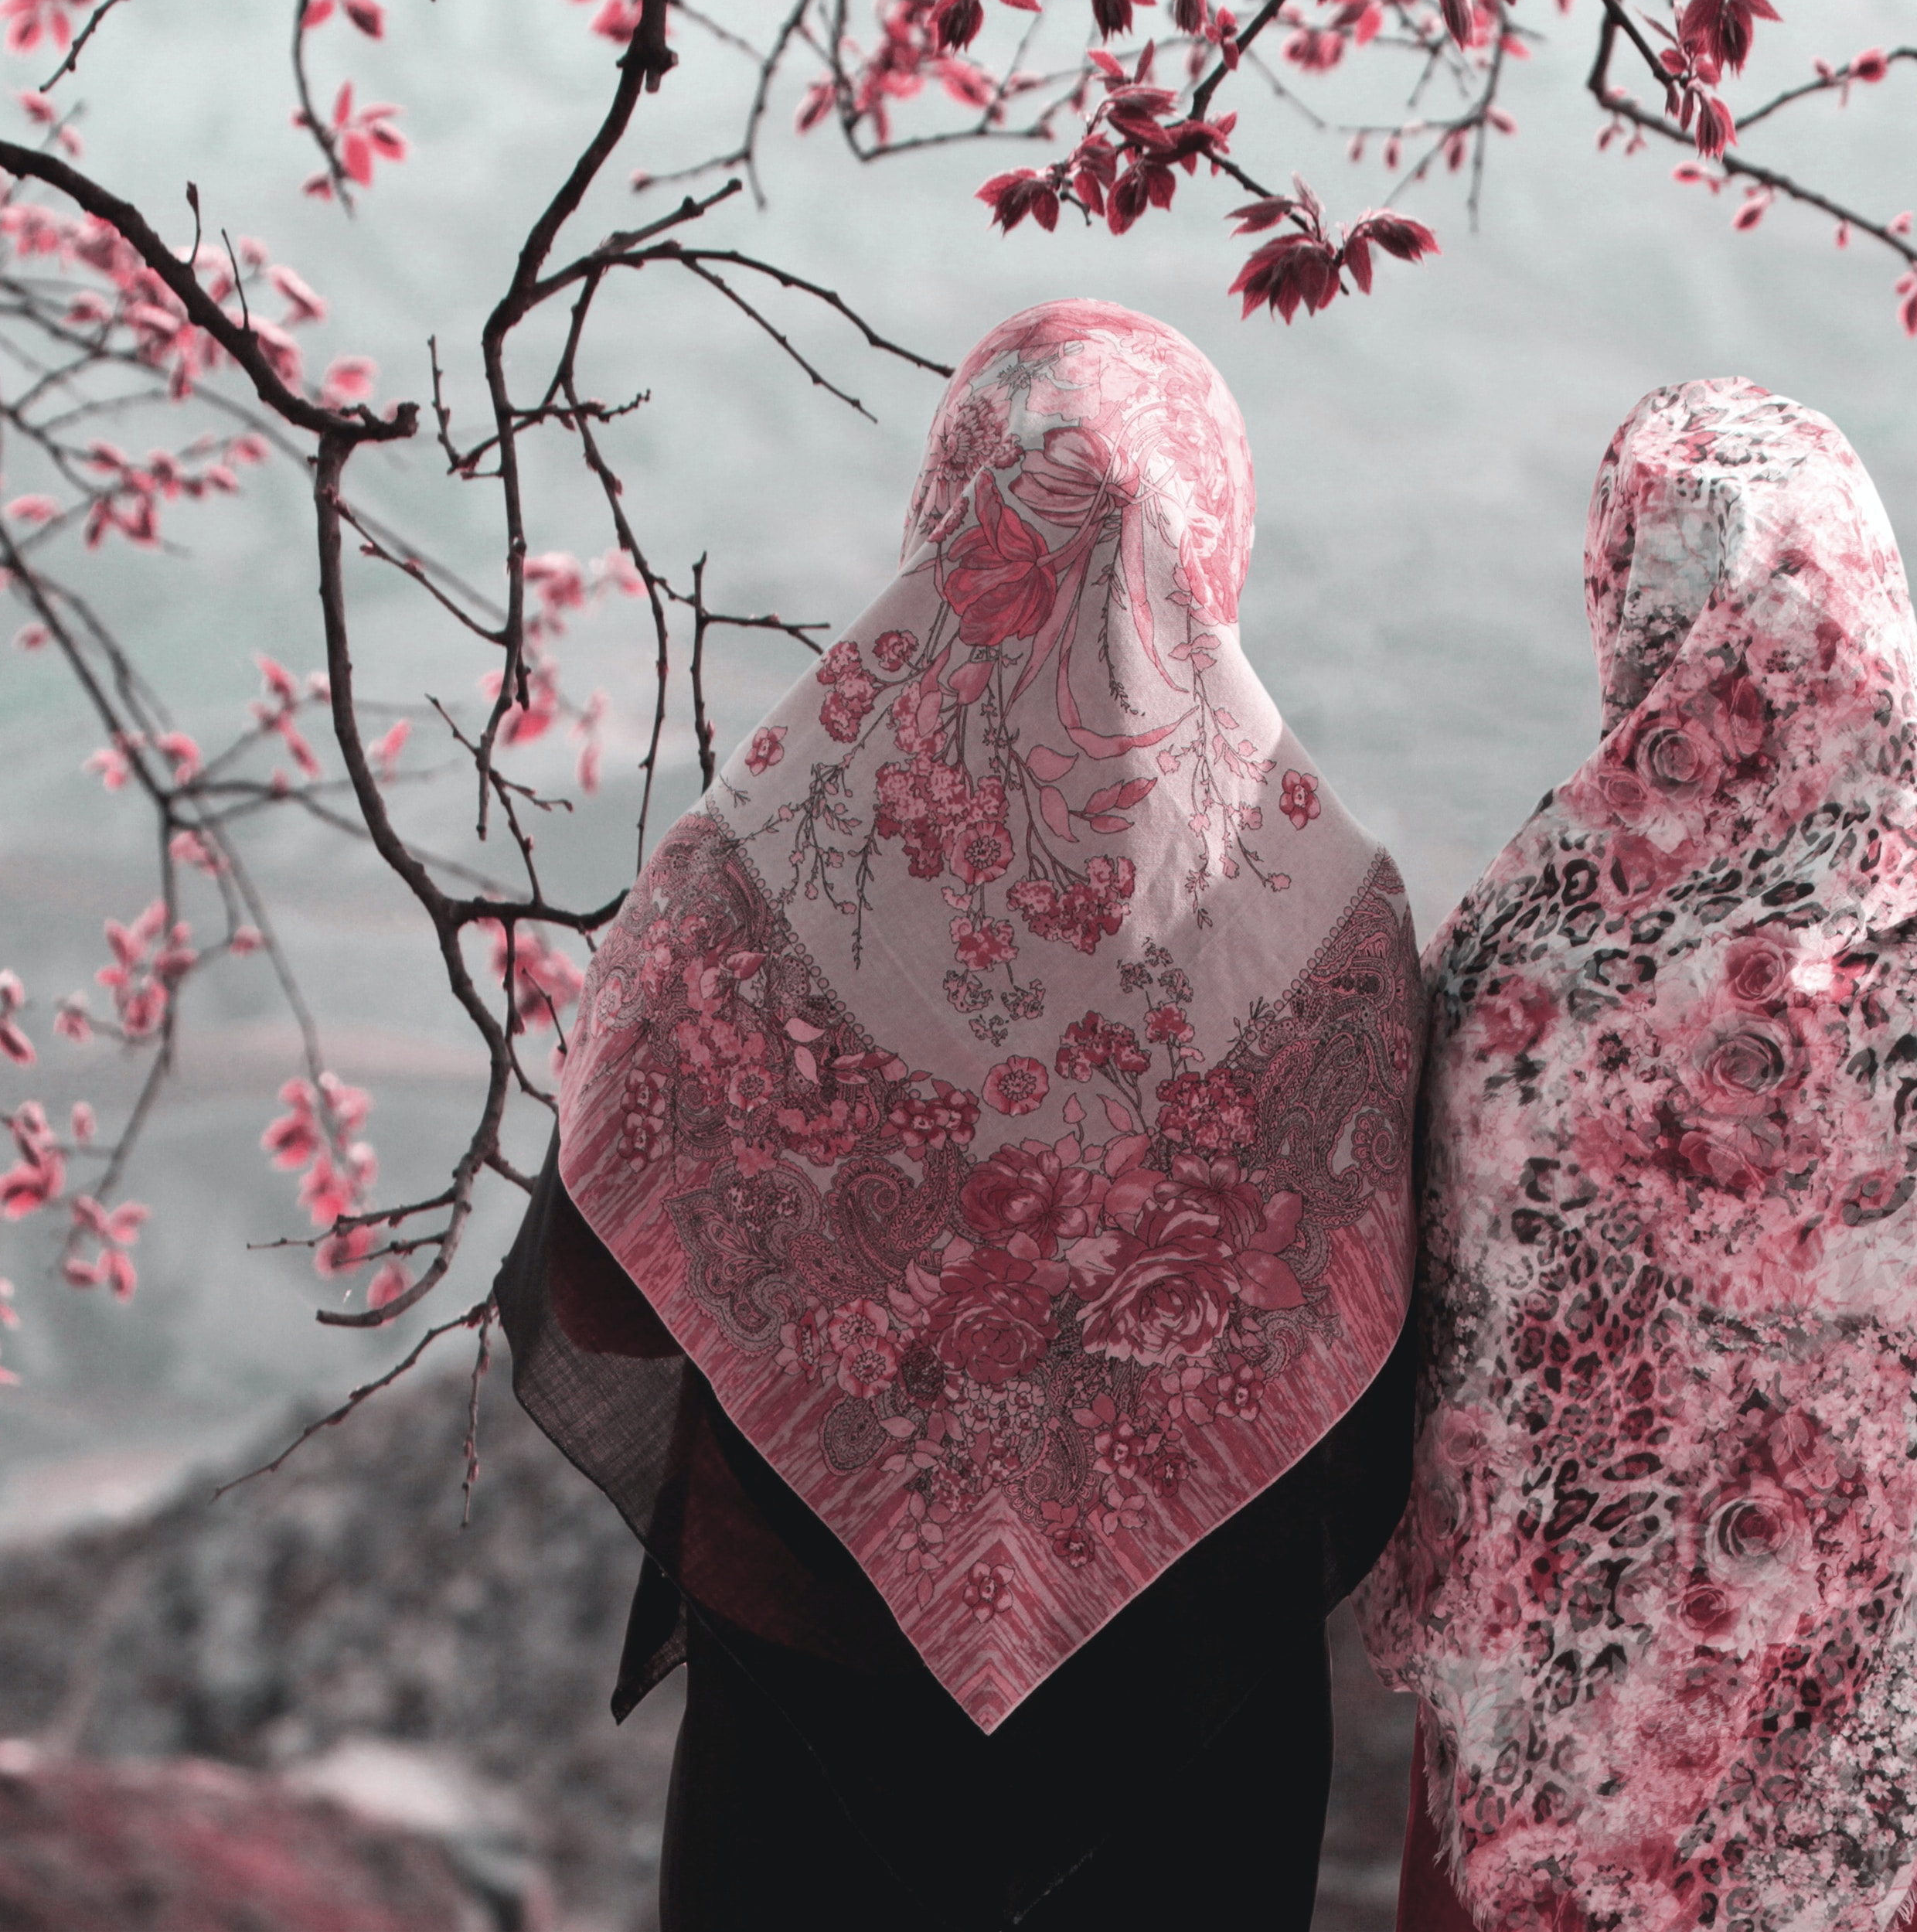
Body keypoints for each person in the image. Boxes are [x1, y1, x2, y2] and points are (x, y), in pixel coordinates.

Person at [494, 300, 1428, 1931]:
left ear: (948, 506)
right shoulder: (1329, 924)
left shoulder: (743, 879)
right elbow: (1372, 1378)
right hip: (1191, 1760)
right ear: (1215, 533)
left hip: (808, 1741)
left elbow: (596, 1293)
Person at [1363, 380, 1917, 1932]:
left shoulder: (1515, 964)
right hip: (1904, 1817)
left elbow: (1453, 1377)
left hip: (1543, 1806)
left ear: (1625, 600)